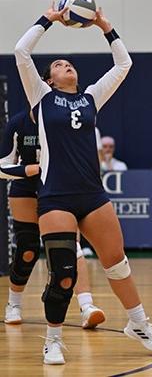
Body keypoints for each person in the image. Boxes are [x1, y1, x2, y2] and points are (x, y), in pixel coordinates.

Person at [15, 4, 152, 365]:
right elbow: (22, 51)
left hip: (93, 197)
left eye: (69, 64)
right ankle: (52, 339)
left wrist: (105, 25)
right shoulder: (42, 97)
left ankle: (138, 324)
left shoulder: (92, 97)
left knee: (118, 264)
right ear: (49, 79)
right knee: (64, 274)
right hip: (55, 198)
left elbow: (124, 65)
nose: (66, 66)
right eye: (58, 65)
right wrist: (48, 19)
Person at [1, 110, 106, 329]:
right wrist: (29, 169)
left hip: (59, 188)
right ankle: (14, 303)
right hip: (27, 187)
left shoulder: (64, 119)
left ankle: (87, 306)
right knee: (28, 250)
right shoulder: (18, 123)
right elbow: (2, 166)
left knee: (71, 246)